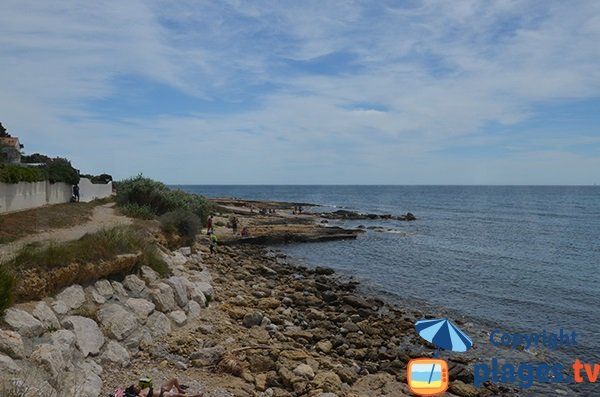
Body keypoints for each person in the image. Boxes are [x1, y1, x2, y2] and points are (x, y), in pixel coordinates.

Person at [125, 378, 202, 397]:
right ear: (134, 391)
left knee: (174, 379)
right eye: (136, 387)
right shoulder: (140, 395)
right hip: (162, 395)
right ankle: (194, 396)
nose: (138, 386)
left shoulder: (143, 389)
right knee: (177, 395)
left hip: (162, 388)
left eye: (137, 385)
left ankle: (180, 389)